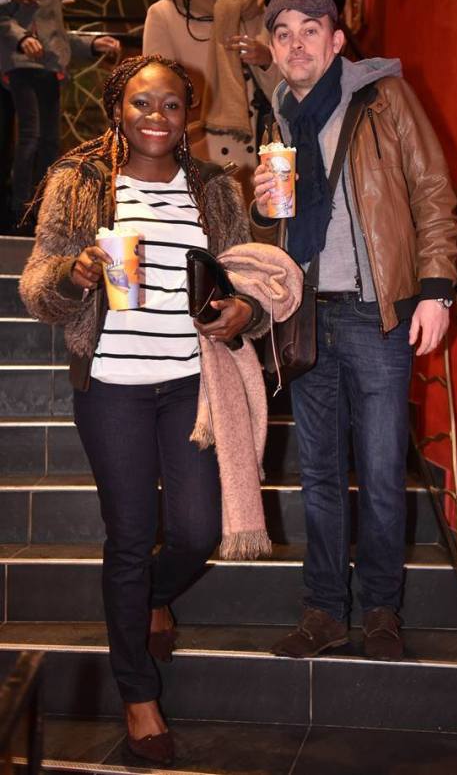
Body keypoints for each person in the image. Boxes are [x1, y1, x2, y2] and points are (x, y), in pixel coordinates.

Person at [19, 53, 290, 765]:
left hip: (191, 386)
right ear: (118, 108)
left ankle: (150, 597)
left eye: (172, 104)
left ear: (188, 114)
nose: (157, 117)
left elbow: (244, 275)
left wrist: (245, 310)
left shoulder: (214, 187)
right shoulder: (80, 181)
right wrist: (75, 274)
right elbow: (37, 283)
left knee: (197, 532)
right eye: (142, 103)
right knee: (131, 537)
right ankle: (137, 693)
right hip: (113, 385)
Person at [252, 0, 457, 661]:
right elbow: (284, 228)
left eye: (309, 29)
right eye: (282, 33)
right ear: (273, 49)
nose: (296, 44)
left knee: (380, 471)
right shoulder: (279, 116)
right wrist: (261, 211)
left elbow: (432, 189)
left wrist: (436, 291)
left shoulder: (383, 97)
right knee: (318, 474)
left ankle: (380, 610)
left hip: (376, 313)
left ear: (337, 40)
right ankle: (324, 611)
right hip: (307, 315)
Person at [143, 0, 280, 201]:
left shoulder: (256, 11)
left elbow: (284, 97)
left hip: (259, 159)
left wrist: (267, 61)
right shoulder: (164, 14)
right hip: (199, 159)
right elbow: (155, 99)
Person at [0, 0, 120, 231]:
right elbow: (3, 18)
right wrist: (22, 39)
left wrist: (92, 45)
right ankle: (20, 207)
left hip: (49, 70)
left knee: (50, 141)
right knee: (30, 137)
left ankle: (43, 203)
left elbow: (58, 38)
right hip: (22, 66)